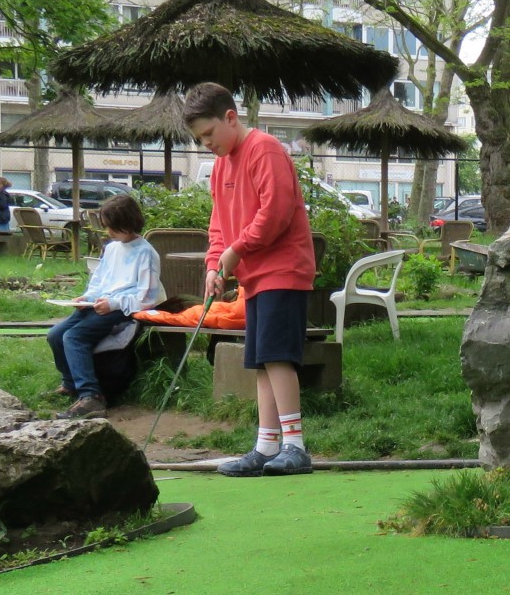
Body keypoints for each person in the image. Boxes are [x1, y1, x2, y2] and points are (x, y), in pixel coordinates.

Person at [184, 81, 318, 477]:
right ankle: (266, 446)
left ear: (230, 117)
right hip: (254, 277)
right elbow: (218, 227)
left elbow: (274, 212)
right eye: (199, 139)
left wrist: (237, 250)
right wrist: (214, 265)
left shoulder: (264, 149)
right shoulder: (220, 167)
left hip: (283, 269)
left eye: (209, 134)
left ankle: (295, 446)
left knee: (278, 356)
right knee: (262, 360)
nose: (206, 143)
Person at [47, 193, 164, 419]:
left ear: (127, 224)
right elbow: (100, 279)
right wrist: (86, 297)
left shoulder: (146, 253)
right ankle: (70, 383)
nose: (108, 232)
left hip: (124, 309)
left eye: (112, 227)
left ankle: (91, 396)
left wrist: (113, 304)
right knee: (55, 335)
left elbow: (147, 297)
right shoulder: (111, 248)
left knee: (74, 337)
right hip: (100, 303)